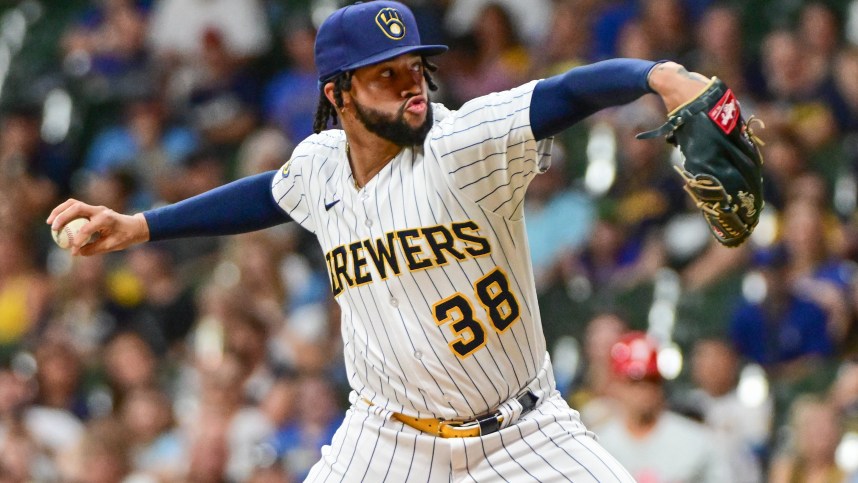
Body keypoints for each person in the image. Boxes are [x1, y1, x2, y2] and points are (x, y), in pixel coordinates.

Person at [48, 1, 726, 480]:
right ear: (339, 93)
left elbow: (565, 93)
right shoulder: (318, 165)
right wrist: (141, 225)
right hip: (388, 438)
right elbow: (266, 194)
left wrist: (659, 76)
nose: (412, 89)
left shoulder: (460, 143)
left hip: (523, 431)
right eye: (387, 75)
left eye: (414, 69)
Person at [593, 331, 731, 482]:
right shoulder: (598, 446)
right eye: (634, 382)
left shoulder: (697, 441)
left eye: (651, 380)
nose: (644, 391)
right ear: (615, 386)